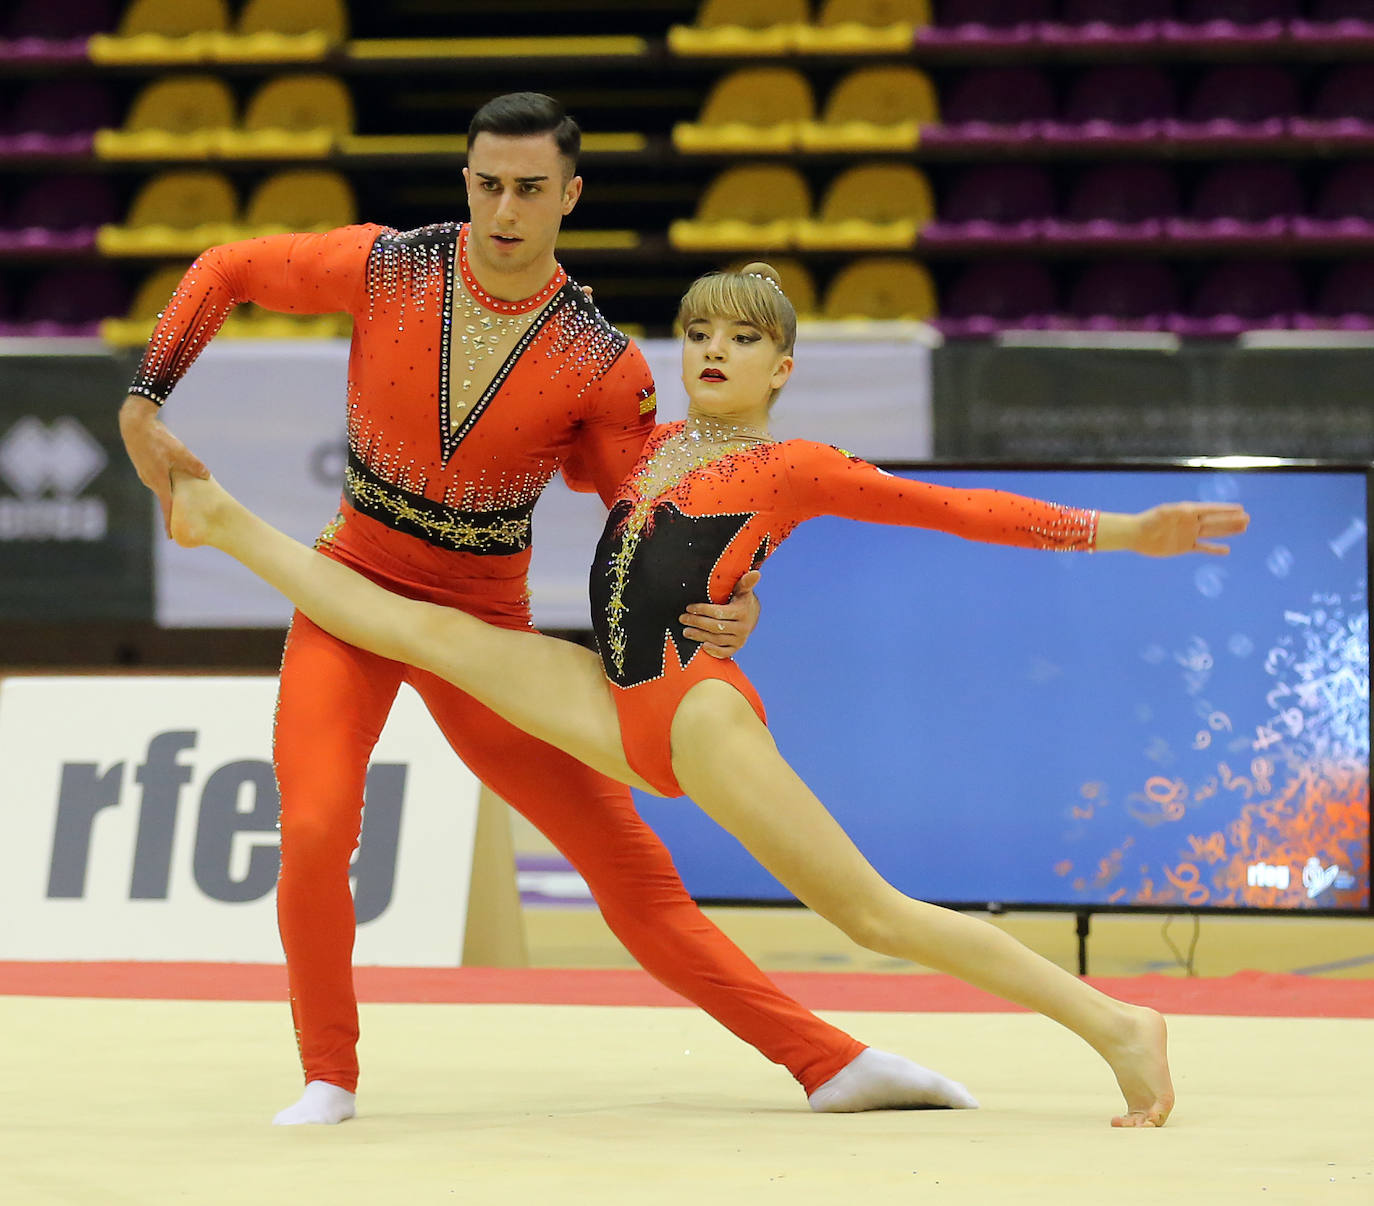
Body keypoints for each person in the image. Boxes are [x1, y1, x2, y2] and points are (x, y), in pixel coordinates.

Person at [168, 260, 1252, 1127]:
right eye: (700, 334)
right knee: (418, 627)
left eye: (744, 339)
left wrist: (1119, 534)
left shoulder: (795, 465)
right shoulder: (646, 451)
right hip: (611, 700)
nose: (717, 352)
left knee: (871, 913)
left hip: (697, 707)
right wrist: (745, 589)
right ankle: (220, 520)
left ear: (783, 367)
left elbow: (950, 508)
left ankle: (1117, 1023)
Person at [119, 93, 973, 1126]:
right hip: (350, 593)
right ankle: (328, 1074)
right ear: (465, 180)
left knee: (628, 869)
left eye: (530, 189)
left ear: (570, 195)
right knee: (311, 825)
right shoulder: (389, 266)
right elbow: (221, 267)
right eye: (488, 184)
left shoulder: (601, 363)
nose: (505, 209)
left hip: (483, 635)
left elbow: (655, 509)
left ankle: (828, 1061)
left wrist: (733, 592)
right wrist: (144, 400)